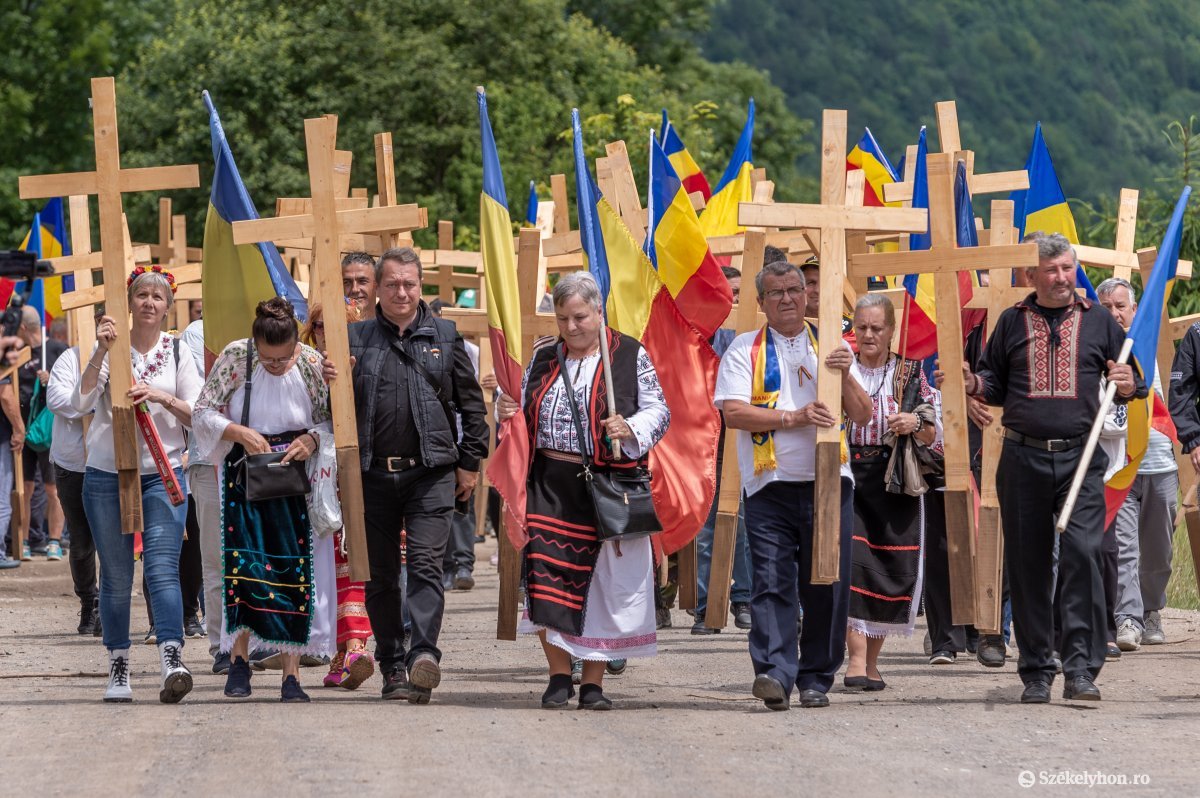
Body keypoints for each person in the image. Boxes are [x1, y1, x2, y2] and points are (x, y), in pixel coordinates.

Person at [936, 232, 1142, 704]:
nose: (1062, 277)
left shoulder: (1099, 323)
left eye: (1068, 268)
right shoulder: (1011, 321)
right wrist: (972, 382)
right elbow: (993, 382)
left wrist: (1129, 383)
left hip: (1082, 458)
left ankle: (1081, 669)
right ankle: (1036, 671)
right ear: (1032, 275)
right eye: (1051, 269)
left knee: (1084, 555)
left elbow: (1132, 381)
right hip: (1023, 457)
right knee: (1028, 566)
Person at [496, 271, 670, 710]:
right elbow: (518, 408)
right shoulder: (541, 358)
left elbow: (660, 411)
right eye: (562, 319)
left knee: (604, 587)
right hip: (549, 484)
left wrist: (629, 426)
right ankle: (558, 676)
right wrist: (504, 409)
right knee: (545, 578)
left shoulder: (629, 355)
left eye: (579, 317)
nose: (571, 327)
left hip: (607, 486)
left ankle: (593, 681)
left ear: (598, 311)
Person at [326, 246, 488, 704]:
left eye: (409, 284)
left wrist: (469, 464)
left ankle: (423, 655)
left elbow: (472, 408)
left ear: (421, 287)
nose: (401, 291)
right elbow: (329, 409)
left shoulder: (447, 336)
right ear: (377, 288)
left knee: (424, 566)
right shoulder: (352, 339)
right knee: (379, 577)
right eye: (392, 283)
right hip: (371, 476)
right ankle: (392, 664)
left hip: (430, 473)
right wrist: (332, 377)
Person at [714, 260, 872, 710]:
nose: (787, 298)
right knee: (770, 580)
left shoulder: (831, 344)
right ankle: (774, 673)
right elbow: (733, 413)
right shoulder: (745, 348)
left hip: (829, 482)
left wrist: (843, 374)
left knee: (826, 582)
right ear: (761, 302)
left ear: (808, 296)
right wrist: (793, 417)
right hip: (769, 484)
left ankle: (816, 676)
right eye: (776, 292)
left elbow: (861, 414)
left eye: (794, 290)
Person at [193, 298, 336, 703]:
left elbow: (332, 417)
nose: (276, 365)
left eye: (282, 359)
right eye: (269, 359)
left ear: (295, 344)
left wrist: (311, 438)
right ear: (256, 344)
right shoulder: (237, 357)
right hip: (245, 472)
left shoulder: (309, 362)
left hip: (294, 472)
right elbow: (203, 411)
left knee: (293, 571)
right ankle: (239, 662)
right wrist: (238, 432)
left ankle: (291, 674)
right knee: (244, 566)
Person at [73, 265, 203, 703]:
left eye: (157, 296)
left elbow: (197, 415)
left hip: (162, 473)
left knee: (163, 568)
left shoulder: (179, 350)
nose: (149, 302)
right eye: (142, 294)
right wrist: (100, 350)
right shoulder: (111, 346)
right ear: (129, 301)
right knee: (115, 575)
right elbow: (81, 400)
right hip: (107, 475)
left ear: (168, 306)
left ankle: (171, 657)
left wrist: (161, 395)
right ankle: (118, 664)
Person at [843, 294, 940, 687]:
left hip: (894, 478)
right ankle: (855, 660)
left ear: (891, 330)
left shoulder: (910, 372)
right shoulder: (839, 366)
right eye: (861, 327)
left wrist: (912, 422)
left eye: (876, 328)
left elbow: (932, 430)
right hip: (847, 473)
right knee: (850, 562)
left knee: (889, 568)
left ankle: (871, 663)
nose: (868, 335)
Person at [1098, 277, 1177, 650]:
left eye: (1121, 306)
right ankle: (1127, 617)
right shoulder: (1096, 352)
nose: (1115, 314)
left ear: (1134, 309)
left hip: (1160, 462)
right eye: (1107, 307)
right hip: (1119, 466)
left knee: (1159, 549)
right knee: (1124, 547)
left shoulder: (1154, 347)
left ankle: (1151, 610)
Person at [301, 302, 376, 691]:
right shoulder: (299, 365)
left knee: (354, 561)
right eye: (318, 324)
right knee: (327, 567)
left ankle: (357, 647)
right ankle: (340, 651)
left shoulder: (367, 362)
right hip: (315, 479)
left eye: (336, 324)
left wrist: (346, 378)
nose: (325, 331)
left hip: (356, 476)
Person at [693, 265, 753, 635]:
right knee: (706, 526)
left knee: (743, 522)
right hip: (709, 438)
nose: (734, 299)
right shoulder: (705, 333)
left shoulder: (752, 335)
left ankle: (743, 598)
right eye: (728, 292)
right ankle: (705, 607)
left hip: (744, 436)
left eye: (739, 292)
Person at [46, 345, 100, 634]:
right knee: (81, 543)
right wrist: (94, 404)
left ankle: (106, 605)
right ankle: (88, 600)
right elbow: (56, 399)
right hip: (72, 465)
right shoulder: (71, 358)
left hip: (111, 462)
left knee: (113, 542)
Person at [17, 305, 67, 560]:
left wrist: (53, 380)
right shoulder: (17, 353)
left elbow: (75, 383)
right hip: (23, 431)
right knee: (24, 488)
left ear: (24, 327)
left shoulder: (57, 350)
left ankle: (55, 540)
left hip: (50, 430)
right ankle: (23, 540)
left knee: (52, 488)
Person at [342, 251, 378, 320]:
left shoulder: (394, 326)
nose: (354, 289)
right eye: (347, 282)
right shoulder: (331, 326)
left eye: (362, 281)